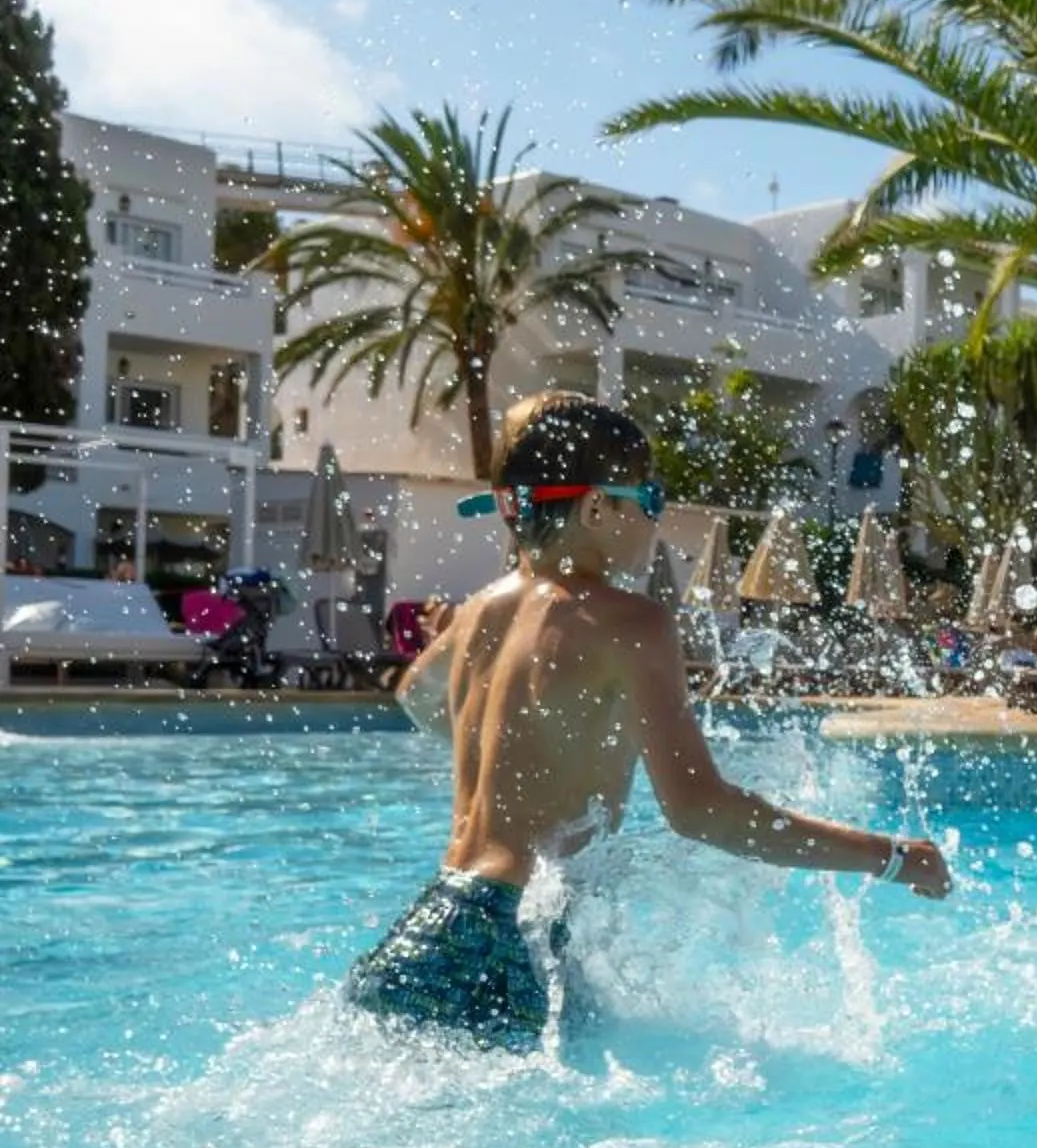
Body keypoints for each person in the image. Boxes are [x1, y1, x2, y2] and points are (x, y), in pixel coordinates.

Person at [347, 392, 951, 1050]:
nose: (655, 523)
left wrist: (521, 738)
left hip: (426, 932)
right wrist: (887, 857)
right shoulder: (629, 623)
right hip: (506, 944)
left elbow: (418, 697)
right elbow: (699, 810)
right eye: (651, 501)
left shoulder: (478, 612)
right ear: (597, 507)